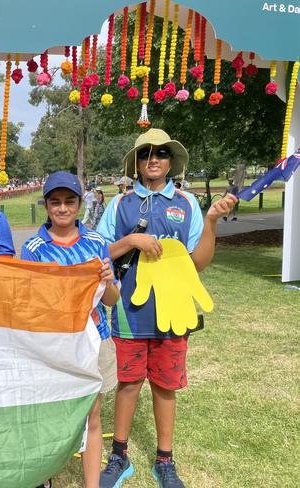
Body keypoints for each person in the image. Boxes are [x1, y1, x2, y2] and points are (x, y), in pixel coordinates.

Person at [96, 129, 237, 488]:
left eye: (160, 153)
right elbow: (97, 252)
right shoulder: (120, 204)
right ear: (137, 163)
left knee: (164, 387)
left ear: (171, 161)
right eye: (145, 154)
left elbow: (198, 263)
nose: (153, 159)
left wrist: (211, 222)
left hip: (173, 315)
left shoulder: (187, 203)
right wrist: (130, 240)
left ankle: (165, 462)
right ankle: (119, 457)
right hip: (128, 312)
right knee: (128, 384)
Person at [20, 171, 120, 488]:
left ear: (79, 203)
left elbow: (113, 299)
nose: (62, 209)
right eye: (55, 202)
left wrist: (105, 280)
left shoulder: (96, 243)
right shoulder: (34, 248)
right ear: (47, 205)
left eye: (69, 201)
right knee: (51, 416)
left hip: (94, 339)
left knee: (92, 415)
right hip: (54, 345)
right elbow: (30, 304)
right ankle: (45, 478)